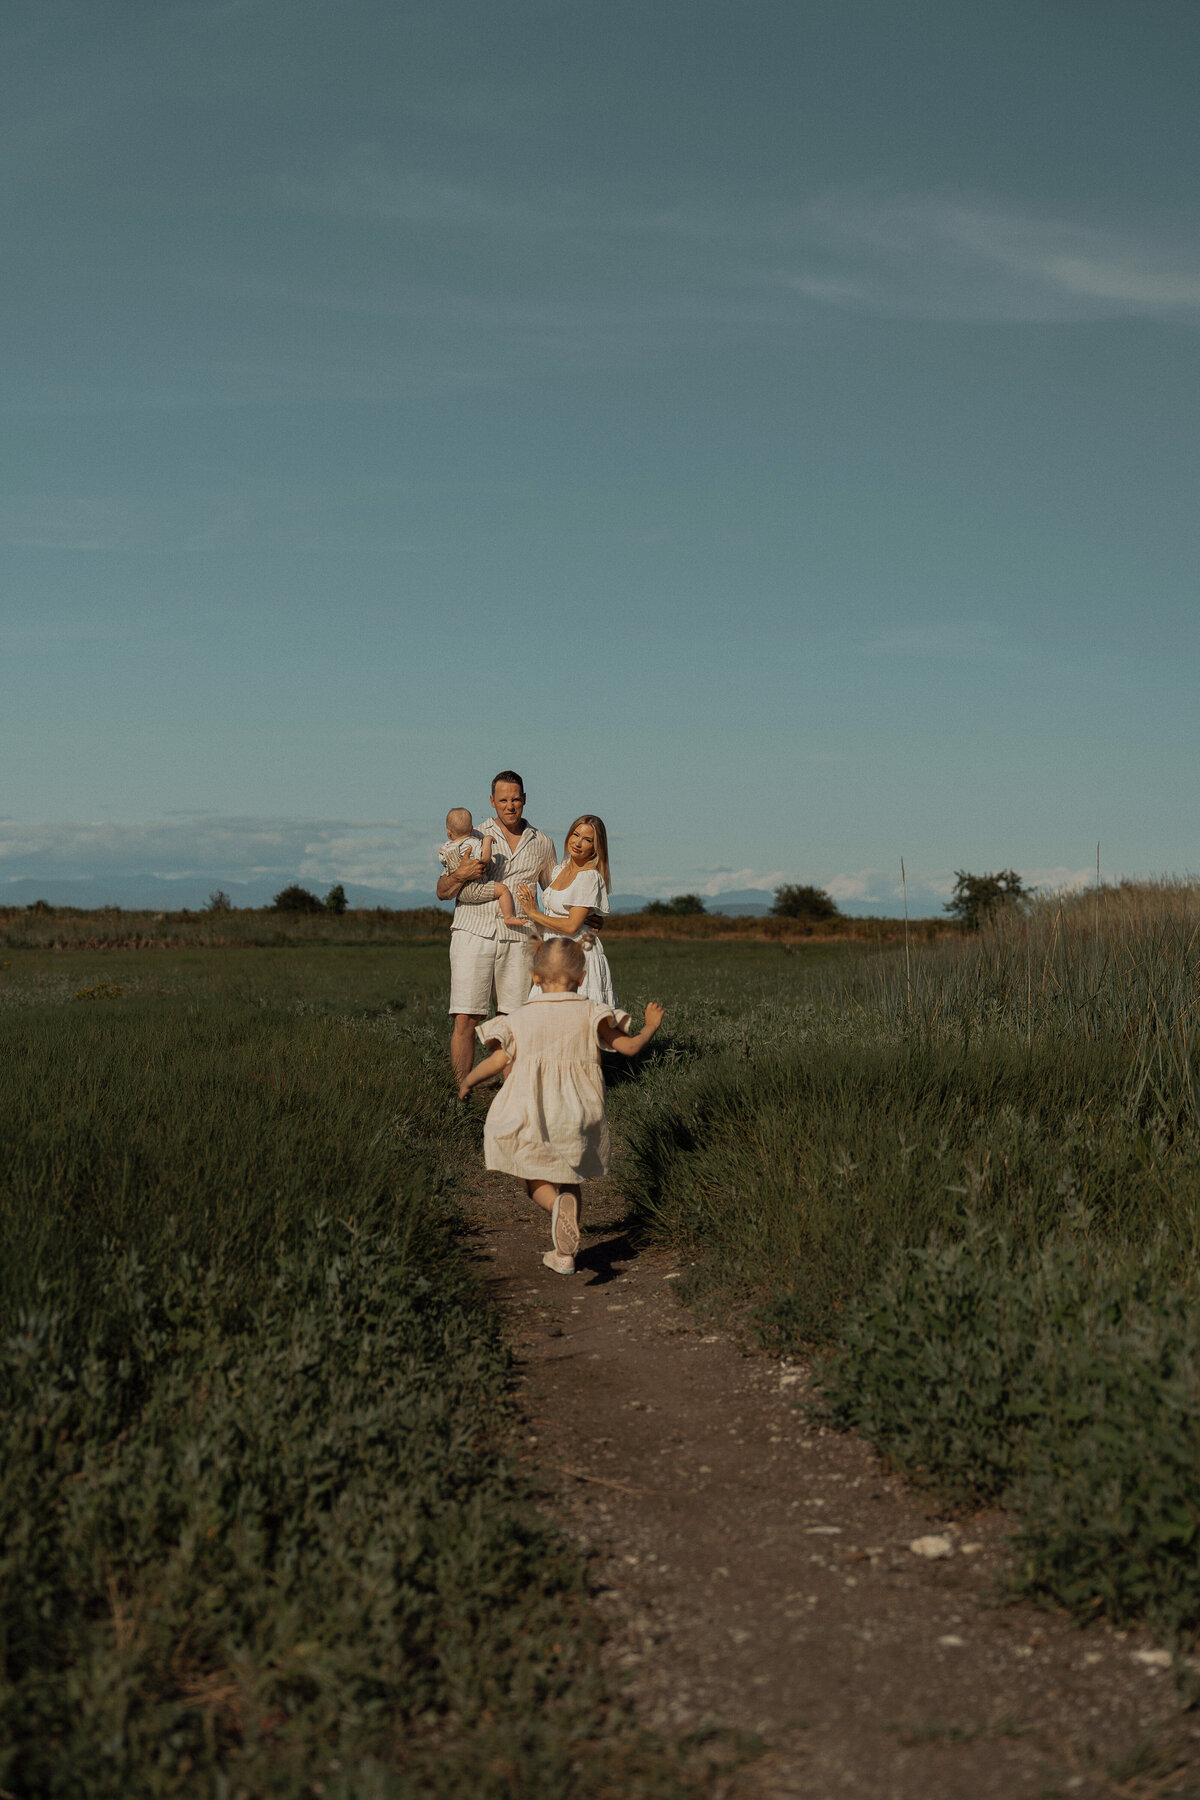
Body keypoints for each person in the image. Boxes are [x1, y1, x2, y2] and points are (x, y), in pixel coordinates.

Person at [459, 936, 664, 1274]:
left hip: (530, 1108)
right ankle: (564, 1254)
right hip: (579, 1107)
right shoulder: (592, 1012)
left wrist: (468, 1080)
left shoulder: (520, 1016)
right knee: (569, 1177)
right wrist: (651, 1027)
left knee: (529, 1173)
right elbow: (628, 1048)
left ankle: (555, 1209)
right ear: (582, 978)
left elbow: (498, 1061)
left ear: (535, 977)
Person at [435, 771, 557, 1083]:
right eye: (503, 800)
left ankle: (507, 1095)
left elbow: (555, 893)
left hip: (520, 937)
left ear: (525, 799)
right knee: (467, 1016)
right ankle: (464, 1092)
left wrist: (586, 914)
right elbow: (443, 891)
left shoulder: (543, 843)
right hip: (472, 933)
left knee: (512, 1020)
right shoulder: (471, 837)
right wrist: (461, 873)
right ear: (492, 801)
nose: (510, 805)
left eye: (515, 799)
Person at [514, 813, 617, 1005]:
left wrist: (534, 913)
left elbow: (572, 926)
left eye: (587, 840)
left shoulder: (589, 877)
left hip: (578, 954)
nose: (578, 842)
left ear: (596, 847)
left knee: (579, 1021)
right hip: (552, 952)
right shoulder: (560, 870)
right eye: (575, 834)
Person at [437, 808, 527, 928]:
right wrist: (487, 840)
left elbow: (445, 864)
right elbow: (484, 858)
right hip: (475, 889)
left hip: (459, 893)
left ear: (448, 833)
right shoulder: (472, 843)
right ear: (471, 829)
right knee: (503, 890)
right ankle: (509, 916)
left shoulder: (445, 848)